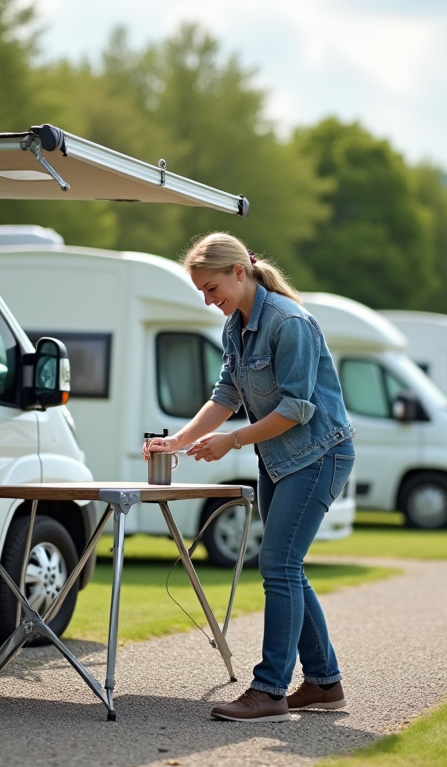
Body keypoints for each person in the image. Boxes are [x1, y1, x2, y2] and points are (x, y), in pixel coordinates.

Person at [143, 232, 355, 722]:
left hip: (319, 455)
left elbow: (298, 409)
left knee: (278, 566)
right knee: (288, 568)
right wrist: (177, 441)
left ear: (239, 272)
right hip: (281, 460)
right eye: (200, 290)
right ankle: (325, 683)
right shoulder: (235, 328)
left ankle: (270, 691)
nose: (207, 299)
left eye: (211, 287)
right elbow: (226, 395)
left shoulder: (288, 322)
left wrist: (233, 441)